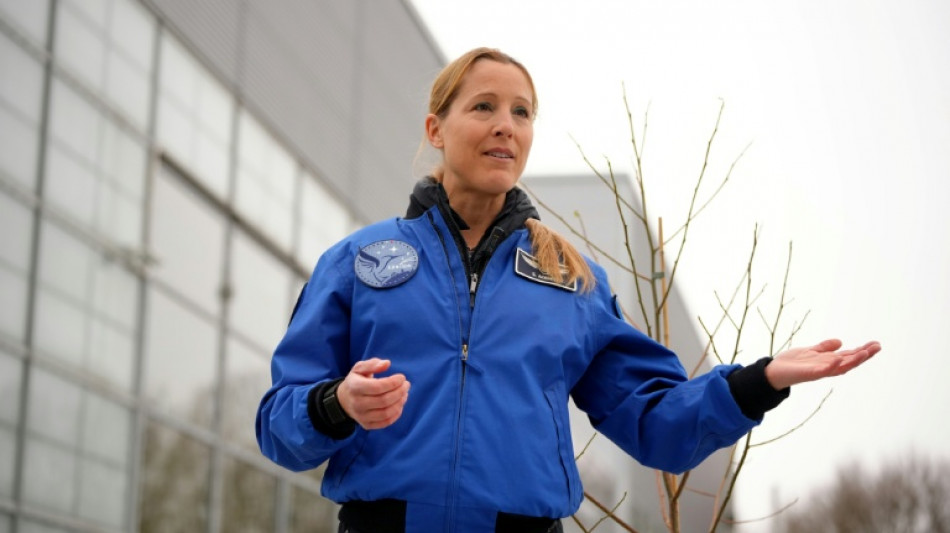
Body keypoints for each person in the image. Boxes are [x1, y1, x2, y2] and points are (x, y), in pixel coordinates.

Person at [255, 47, 881, 533]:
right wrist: (336, 403)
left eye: (521, 112)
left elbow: (656, 422)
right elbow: (277, 425)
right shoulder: (357, 263)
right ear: (437, 128)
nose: (506, 126)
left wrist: (758, 381)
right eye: (484, 107)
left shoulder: (571, 281)